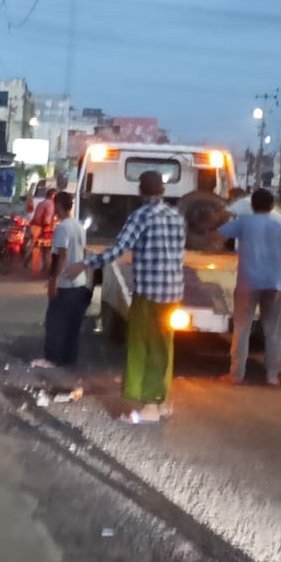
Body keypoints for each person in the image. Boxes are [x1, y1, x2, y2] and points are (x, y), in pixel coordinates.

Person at [65, 170, 187, 424]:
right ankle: (162, 403)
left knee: (145, 347)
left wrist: (85, 263)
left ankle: (150, 408)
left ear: (140, 191)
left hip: (150, 294)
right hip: (173, 292)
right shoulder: (176, 216)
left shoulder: (140, 216)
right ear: (163, 191)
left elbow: (117, 250)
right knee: (164, 348)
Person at [217, 189, 281, 386]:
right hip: (274, 284)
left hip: (248, 283)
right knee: (273, 331)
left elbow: (217, 237)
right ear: (273, 206)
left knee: (242, 329)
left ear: (252, 205)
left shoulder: (243, 222)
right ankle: (272, 376)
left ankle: (236, 374)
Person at [33, 192, 91, 369]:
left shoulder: (61, 228)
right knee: (73, 325)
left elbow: (61, 255)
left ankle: (51, 359)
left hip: (65, 283)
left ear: (59, 206)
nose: (54, 209)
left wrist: (54, 282)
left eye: (55, 205)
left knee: (55, 322)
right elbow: (84, 252)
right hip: (79, 282)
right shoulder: (79, 226)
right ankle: (69, 360)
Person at [28, 189, 58, 276]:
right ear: (53, 196)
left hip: (35, 228)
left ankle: (33, 268)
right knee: (47, 250)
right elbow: (47, 220)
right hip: (43, 228)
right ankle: (47, 271)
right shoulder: (50, 204)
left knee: (38, 249)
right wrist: (49, 229)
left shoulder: (42, 203)